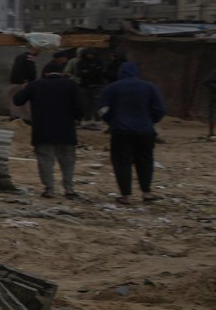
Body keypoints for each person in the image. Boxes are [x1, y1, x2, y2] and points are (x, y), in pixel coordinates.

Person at [12, 57, 91, 198]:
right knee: (67, 160)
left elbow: (18, 101)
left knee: (45, 159)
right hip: (66, 130)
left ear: (45, 72)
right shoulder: (71, 85)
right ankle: (69, 189)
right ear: (62, 72)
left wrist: (23, 88)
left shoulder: (36, 85)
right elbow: (80, 109)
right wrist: (77, 118)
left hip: (42, 129)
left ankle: (49, 189)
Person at [97, 62, 167, 202]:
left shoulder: (112, 88)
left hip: (121, 131)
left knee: (122, 162)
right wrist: (150, 121)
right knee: (145, 160)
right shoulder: (150, 87)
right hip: (145, 131)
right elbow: (160, 109)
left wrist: (112, 121)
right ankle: (146, 192)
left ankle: (126, 195)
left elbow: (102, 109)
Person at [7, 49, 36, 123]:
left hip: (14, 83)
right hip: (23, 83)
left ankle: (13, 117)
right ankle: (26, 121)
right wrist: (29, 82)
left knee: (14, 102)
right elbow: (31, 72)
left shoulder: (19, 56)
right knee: (25, 104)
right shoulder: (30, 57)